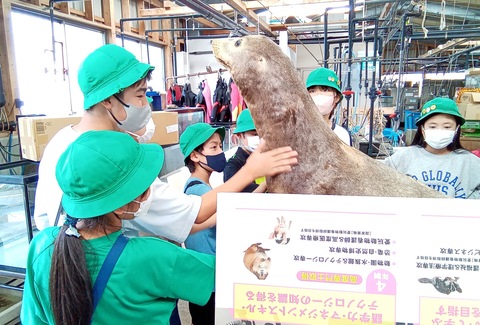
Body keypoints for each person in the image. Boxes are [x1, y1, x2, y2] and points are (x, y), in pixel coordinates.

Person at [33, 44, 299, 244]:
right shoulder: (120, 163)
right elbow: (192, 212)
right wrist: (251, 172)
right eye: (139, 95)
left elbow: (43, 219)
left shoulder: (62, 141)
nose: (146, 105)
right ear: (107, 100)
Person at [21, 130, 216, 325]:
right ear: (122, 206)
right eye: (146, 186)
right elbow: (228, 275)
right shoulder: (154, 257)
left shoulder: (41, 245)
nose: (149, 192)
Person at [384, 97, 480, 199]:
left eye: (447, 127)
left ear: (456, 129)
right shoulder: (403, 158)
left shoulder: (470, 162)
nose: (440, 131)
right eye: (432, 126)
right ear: (422, 129)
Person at [306, 67, 352, 145]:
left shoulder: (342, 135)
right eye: (312, 91)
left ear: (336, 98)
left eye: (325, 90)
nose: (318, 95)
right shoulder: (297, 132)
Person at [223, 109, 266, 192]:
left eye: (262, 134)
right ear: (239, 135)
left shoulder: (267, 158)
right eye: (255, 134)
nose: (260, 138)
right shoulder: (232, 166)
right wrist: (267, 185)